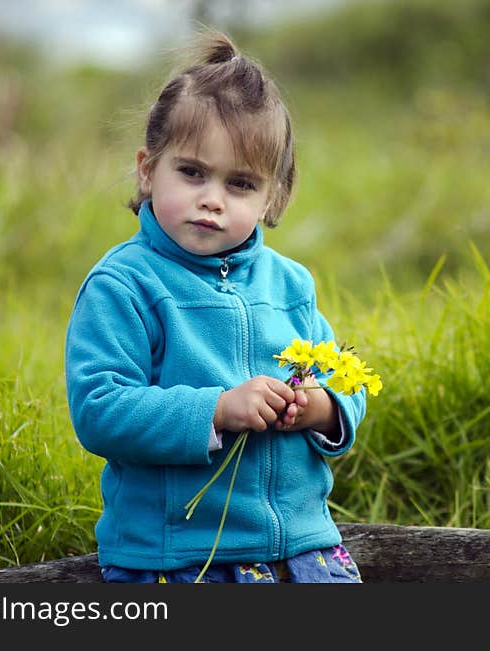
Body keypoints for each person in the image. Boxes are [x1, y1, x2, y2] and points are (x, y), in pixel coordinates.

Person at [64, 29, 366, 583]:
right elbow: (99, 409)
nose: (213, 199)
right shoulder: (125, 285)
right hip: (181, 558)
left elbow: (347, 378)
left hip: (304, 549)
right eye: (193, 172)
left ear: (271, 196)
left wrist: (320, 407)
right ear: (147, 169)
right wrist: (217, 409)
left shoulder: (289, 284)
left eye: (241, 184)